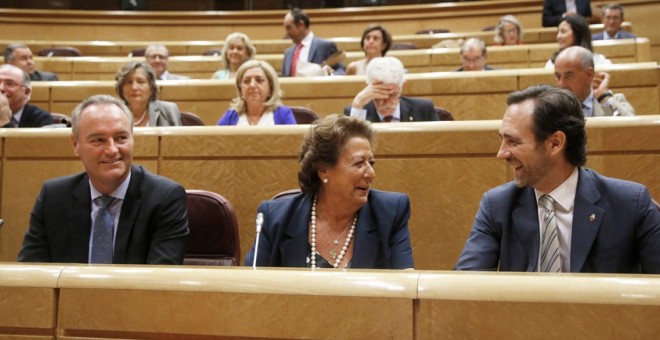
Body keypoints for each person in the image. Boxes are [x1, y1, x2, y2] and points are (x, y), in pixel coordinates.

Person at [455, 84, 660, 273]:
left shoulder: (630, 204)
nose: (502, 154)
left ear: (555, 143)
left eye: (513, 142)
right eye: (502, 140)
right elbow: (462, 290)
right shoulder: (497, 205)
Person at [17, 94, 190, 264]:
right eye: (98, 140)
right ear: (75, 145)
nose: (112, 149)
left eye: (121, 138)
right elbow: (33, 275)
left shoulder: (164, 198)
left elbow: (159, 281)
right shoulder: (53, 197)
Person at [244, 114, 414, 269]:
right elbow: (249, 290)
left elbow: (406, 288)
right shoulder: (275, 218)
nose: (371, 174)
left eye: (371, 163)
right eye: (359, 163)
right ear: (324, 169)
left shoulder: (390, 213)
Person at [344, 57, 438, 123]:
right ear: (369, 88)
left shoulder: (424, 109)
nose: (387, 102)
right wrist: (358, 104)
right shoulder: (356, 111)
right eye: (380, 95)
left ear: (402, 86)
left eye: (393, 95)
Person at [555, 46, 634, 116]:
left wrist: (603, 98)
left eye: (569, 76)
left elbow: (632, 129)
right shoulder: (553, 107)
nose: (561, 84)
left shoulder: (614, 101)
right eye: (558, 76)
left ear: (589, 74)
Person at [217, 60, 295, 126]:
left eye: (259, 80)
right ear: (240, 89)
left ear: (271, 88)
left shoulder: (283, 114)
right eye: (246, 81)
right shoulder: (231, 116)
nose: (252, 85)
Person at [281, 8, 346, 77]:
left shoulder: (325, 46)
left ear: (301, 25)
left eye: (289, 28)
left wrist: (331, 74)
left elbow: (341, 71)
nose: (287, 33)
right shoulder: (288, 53)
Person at [115, 61, 182, 127]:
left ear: (151, 88)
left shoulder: (169, 110)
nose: (134, 87)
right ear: (121, 88)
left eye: (141, 82)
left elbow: (178, 138)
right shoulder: (113, 111)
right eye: (129, 82)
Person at [545, 15, 611, 68]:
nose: (558, 36)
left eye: (563, 31)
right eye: (557, 32)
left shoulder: (599, 61)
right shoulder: (552, 63)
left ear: (578, 34)